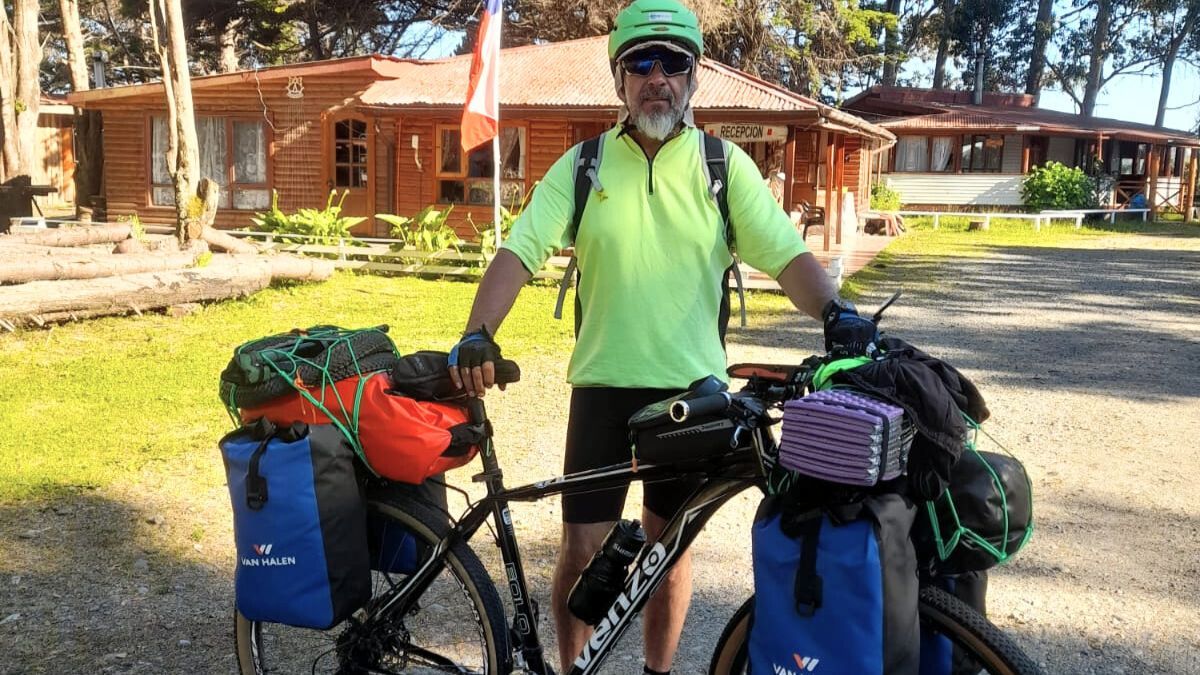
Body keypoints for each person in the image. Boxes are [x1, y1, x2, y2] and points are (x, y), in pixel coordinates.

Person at [446, 1, 878, 672]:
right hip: (601, 386)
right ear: (618, 80)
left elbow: (789, 258)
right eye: (640, 64)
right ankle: (573, 669)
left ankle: (657, 671)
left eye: (672, 63)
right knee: (581, 549)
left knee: (667, 550)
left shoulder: (722, 167)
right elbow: (518, 252)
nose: (657, 78)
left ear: (693, 76)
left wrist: (836, 312)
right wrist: (478, 332)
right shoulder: (583, 167)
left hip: (692, 392)